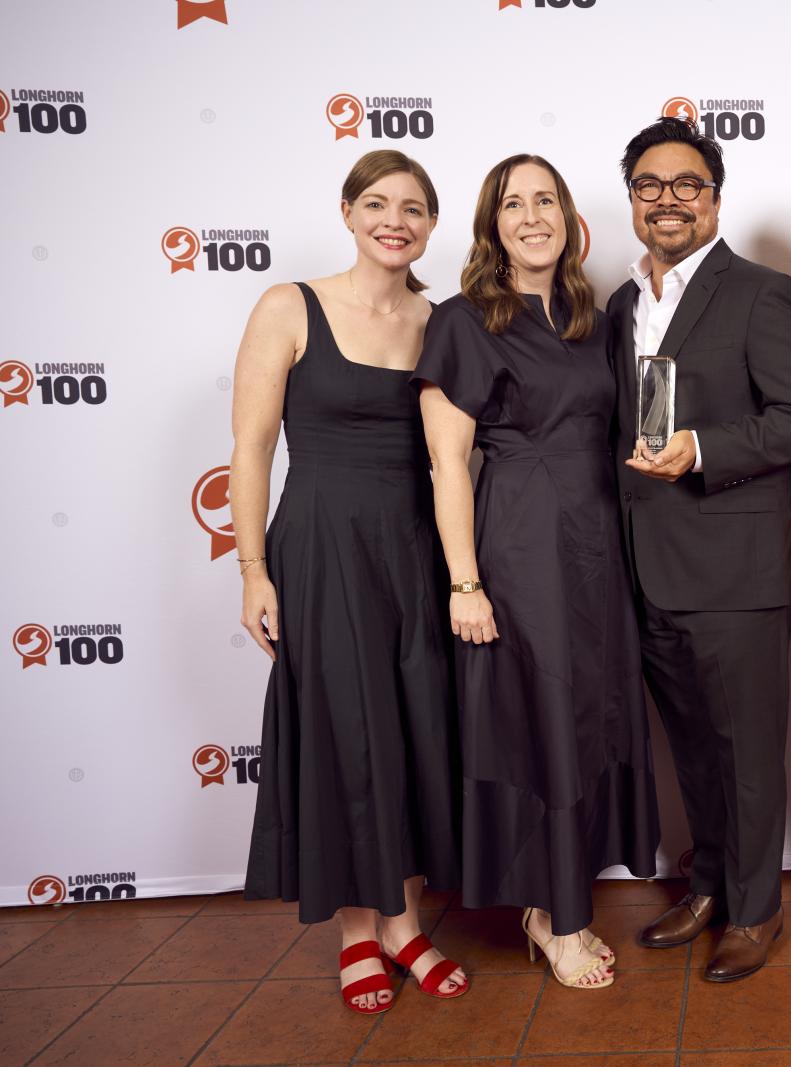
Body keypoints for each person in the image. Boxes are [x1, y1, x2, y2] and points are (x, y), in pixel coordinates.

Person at [413, 155, 660, 991]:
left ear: (567, 216)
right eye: (512, 204)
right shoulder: (463, 320)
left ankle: (561, 895)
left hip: (599, 546)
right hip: (521, 548)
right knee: (544, 720)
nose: (531, 217)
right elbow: (448, 465)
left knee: (592, 718)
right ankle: (557, 916)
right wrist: (465, 583)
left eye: (544, 200)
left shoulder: (594, 316)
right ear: (491, 225)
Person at [232, 149, 467, 1013]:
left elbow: (452, 457)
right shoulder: (288, 305)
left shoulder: (439, 321)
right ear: (347, 211)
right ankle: (357, 931)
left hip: (412, 548)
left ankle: (405, 924)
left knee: (410, 729)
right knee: (342, 730)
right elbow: (251, 448)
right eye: (376, 203)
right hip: (321, 546)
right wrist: (253, 569)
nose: (394, 220)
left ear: (432, 225)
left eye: (412, 207)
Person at [609, 118, 791, 982]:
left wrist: (700, 448)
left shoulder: (760, 291)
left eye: (686, 184)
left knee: (745, 750)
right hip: (647, 567)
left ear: (714, 196)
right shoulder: (621, 303)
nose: (668, 199)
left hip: (737, 572)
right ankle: (708, 886)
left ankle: (756, 907)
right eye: (650, 186)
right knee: (694, 749)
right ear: (632, 199)